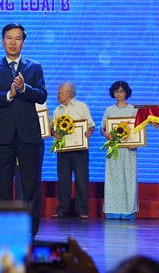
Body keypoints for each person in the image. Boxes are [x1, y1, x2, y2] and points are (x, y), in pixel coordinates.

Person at [0, 23, 47, 238]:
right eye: (9, 38)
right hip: (4, 134)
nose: (13, 42)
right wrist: (9, 94)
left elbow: (42, 96)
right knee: (3, 184)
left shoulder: (34, 67)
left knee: (30, 185)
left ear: (23, 42)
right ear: (3, 41)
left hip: (29, 134)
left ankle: (29, 231)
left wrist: (24, 88)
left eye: (17, 38)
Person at [51, 82, 95, 220]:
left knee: (81, 179)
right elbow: (52, 128)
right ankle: (62, 209)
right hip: (63, 149)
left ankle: (83, 210)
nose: (57, 94)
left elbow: (91, 125)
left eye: (60, 92)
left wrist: (89, 132)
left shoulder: (81, 106)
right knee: (63, 180)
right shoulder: (57, 110)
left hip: (79, 149)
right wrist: (54, 133)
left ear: (68, 93)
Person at [100, 80, 138, 220]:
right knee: (113, 179)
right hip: (113, 150)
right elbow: (102, 128)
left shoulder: (134, 109)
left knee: (129, 179)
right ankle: (113, 211)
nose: (119, 94)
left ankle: (129, 212)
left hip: (129, 150)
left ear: (126, 92)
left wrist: (136, 142)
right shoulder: (109, 110)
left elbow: (139, 129)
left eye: (121, 91)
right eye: (116, 91)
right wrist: (106, 134)